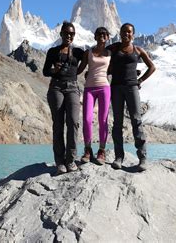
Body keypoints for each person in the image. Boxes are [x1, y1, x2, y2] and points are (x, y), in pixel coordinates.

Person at [107, 23, 156, 171]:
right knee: (117, 122)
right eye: (123, 31)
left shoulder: (138, 50)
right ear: (120, 33)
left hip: (132, 87)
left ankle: (142, 158)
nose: (126, 34)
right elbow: (100, 56)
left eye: (129, 32)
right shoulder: (114, 48)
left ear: (133, 34)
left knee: (136, 120)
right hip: (115, 88)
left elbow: (152, 67)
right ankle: (119, 157)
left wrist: (140, 80)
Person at [42, 21, 84, 174]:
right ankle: (59, 161)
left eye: (71, 33)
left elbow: (92, 58)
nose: (69, 36)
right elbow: (45, 71)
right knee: (58, 124)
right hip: (56, 88)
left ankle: (71, 159)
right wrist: (54, 70)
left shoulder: (78, 52)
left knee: (73, 122)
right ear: (61, 34)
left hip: (73, 87)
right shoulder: (52, 52)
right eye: (66, 33)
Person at [77, 27, 111, 165]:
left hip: (104, 87)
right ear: (95, 36)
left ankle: (102, 150)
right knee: (86, 119)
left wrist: (134, 71)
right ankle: (87, 149)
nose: (101, 36)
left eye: (104, 34)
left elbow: (117, 67)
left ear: (108, 37)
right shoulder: (88, 52)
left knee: (103, 119)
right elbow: (80, 69)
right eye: (99, 34)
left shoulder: (110, 53)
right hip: (89, 88)